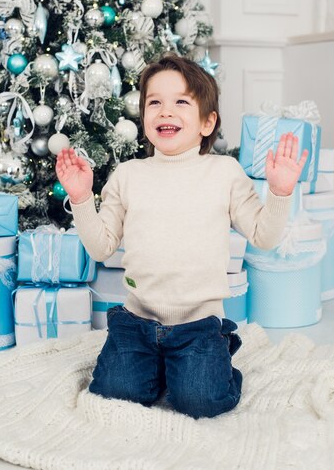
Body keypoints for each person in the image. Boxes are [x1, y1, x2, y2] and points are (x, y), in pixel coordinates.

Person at [56, 55, 308, 419]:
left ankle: (217, 356)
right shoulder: (128, 175)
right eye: (154, 102)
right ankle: (159, 366)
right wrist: (81, 199)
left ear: (207, 123)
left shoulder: (224, 172)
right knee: (116, 392)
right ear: (143, 116)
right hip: (137, 321)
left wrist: (280, 193)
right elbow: (101, 245)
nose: (165, 111)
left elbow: (263, 237)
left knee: (200, 400)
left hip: (197, 325)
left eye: (181, 102)